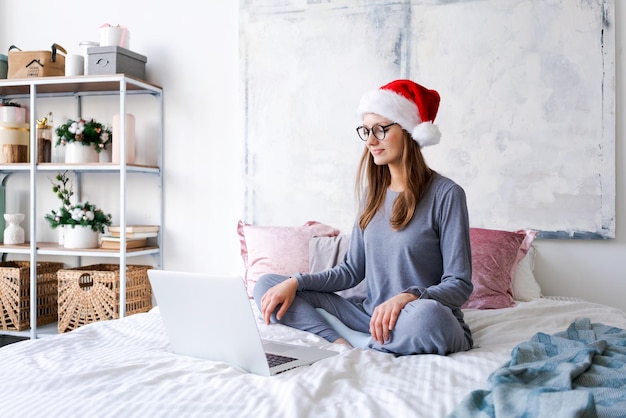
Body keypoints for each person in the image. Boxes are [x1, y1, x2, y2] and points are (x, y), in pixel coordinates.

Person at [253, 79, 473, 356]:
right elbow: (350, 271)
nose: (370, 141)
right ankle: (339, 342)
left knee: (428, 318)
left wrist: (409, 297)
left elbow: (459, 285)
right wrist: (295, 281)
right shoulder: (372, 195)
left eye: (380, 130)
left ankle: (367, 344)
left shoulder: (447, 194)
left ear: (408, 132)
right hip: (369, 317)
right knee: (269, 287)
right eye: (366, 131)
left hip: (416, 315)